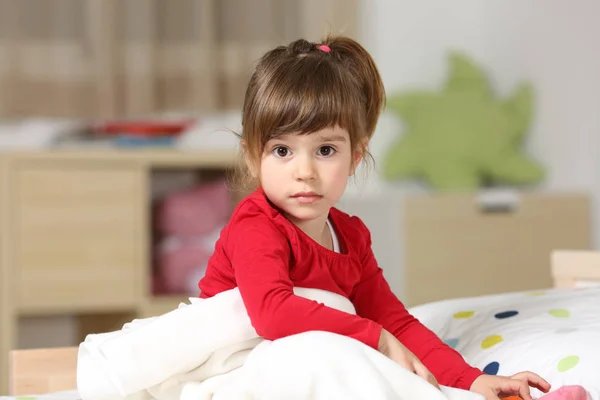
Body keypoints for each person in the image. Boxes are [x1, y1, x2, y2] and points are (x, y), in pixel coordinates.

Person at [198, 35, 551, 400]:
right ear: (253, 156)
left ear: (355, 155)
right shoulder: (255, 226)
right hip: (231, 371)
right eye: (282, 150)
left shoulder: (351, 236)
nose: (304, 170)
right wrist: (376, 338)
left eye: (325, 150)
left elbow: (394, 322)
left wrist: (471, 380)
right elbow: (273, 313)